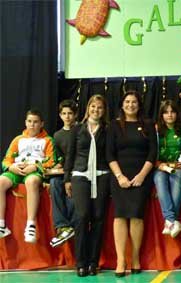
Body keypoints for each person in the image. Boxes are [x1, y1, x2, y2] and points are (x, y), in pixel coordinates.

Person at [106, 90, 157, 277]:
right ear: (122, 104)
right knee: (119, 216)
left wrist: (142, 175)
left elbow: (153, 152)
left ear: (139, 104)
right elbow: (109, 154)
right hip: (119, 175)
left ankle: (135, 257)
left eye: (134, 102)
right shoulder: (113, 126)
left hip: (141, 176)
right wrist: (119, 176)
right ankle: (121, 259)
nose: (130, 105)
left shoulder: (149, 125)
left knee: (136, 216)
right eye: (127, 102)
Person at [63, 95, 110, 277]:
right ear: (88, 108)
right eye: (93, 107)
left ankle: (93, 262)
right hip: (80, 176)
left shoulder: (107, 130)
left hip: (102, 176)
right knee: (82, 217)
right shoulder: (77, 129)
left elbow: (110, 155)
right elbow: (70, 155)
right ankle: (80, 262)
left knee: (98, 218)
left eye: (99, 107)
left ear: (104, 110)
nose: (96, 110)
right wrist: (67, 179)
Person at [0, 109, 55, 243]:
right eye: (29, 121)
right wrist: (11, 167)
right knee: (0, 181)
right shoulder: (18, 140)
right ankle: (1, 225)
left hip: (34, 171)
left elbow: (51, 161)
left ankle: (30, 225)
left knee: (31, 182)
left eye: (35, 122)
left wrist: (36, 166)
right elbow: (6, 160)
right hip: (16, 170)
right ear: (25, 122)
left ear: (42, 123)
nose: (32, 125)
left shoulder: (48, 140)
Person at [154, 100, 181, 238]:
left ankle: (170, 221)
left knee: (178, 178)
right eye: (166, 112)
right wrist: (159, 165)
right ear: (161, 115)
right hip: (160, 166)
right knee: (160, 180)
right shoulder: (156, 130)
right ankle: (173, 220)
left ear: (177, 114)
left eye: (172, 111)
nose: (169, 115)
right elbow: (150, 152)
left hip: (178, 166)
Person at [49, 99, 78, 248]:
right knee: (54, 183)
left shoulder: (80, 131)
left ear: (75, 115)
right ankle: (62, 226)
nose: (67, 116)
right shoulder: (58, 135)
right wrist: (53, 167)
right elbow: (60, 158)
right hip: (64, 171)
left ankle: (72, 226)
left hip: (77, 171)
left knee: (72, 191)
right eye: (64, 114)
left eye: (70, 113)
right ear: (60, 115)